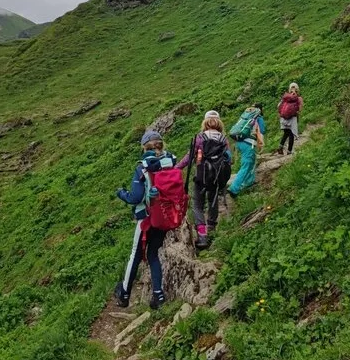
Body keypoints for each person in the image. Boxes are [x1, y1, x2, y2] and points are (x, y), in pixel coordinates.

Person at [114, 130, 178, 310]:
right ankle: (158, 295)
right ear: (161, 144)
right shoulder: (171, 161)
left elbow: (136, 197)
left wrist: (121, 193)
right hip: (165, 216)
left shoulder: (143, 166)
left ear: (144, 147)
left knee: (135, 254)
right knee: (153, 253)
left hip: (146, 218)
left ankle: (124, 293)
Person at [176, 111, 232, 251]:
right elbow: (229, 160)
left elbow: (189, 157)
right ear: (219, 123)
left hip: (201, 176)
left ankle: (202, 235)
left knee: (197, 205)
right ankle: (211, 229)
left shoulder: (200, 138)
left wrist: (177, 168)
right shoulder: (223, 139)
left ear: (205, 122)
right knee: (213, 202)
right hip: (216, 177)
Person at [227, 103, 266, 197]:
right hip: (249, 144)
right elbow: (261, 131)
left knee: (251, 163)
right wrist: (261, 143)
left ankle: (249, 182)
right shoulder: (258, 118)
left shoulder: (245, 116)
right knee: (246, 165)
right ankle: (234, 188)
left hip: (240, 142)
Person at [277, 82, 303, 155]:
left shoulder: (286, 97)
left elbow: (278, 106)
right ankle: (289, 151)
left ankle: (280, 147)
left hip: (284, 118)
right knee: (291, 134)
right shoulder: (299, 98)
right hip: (293, 118)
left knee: (286, 133)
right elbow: (300, 109)